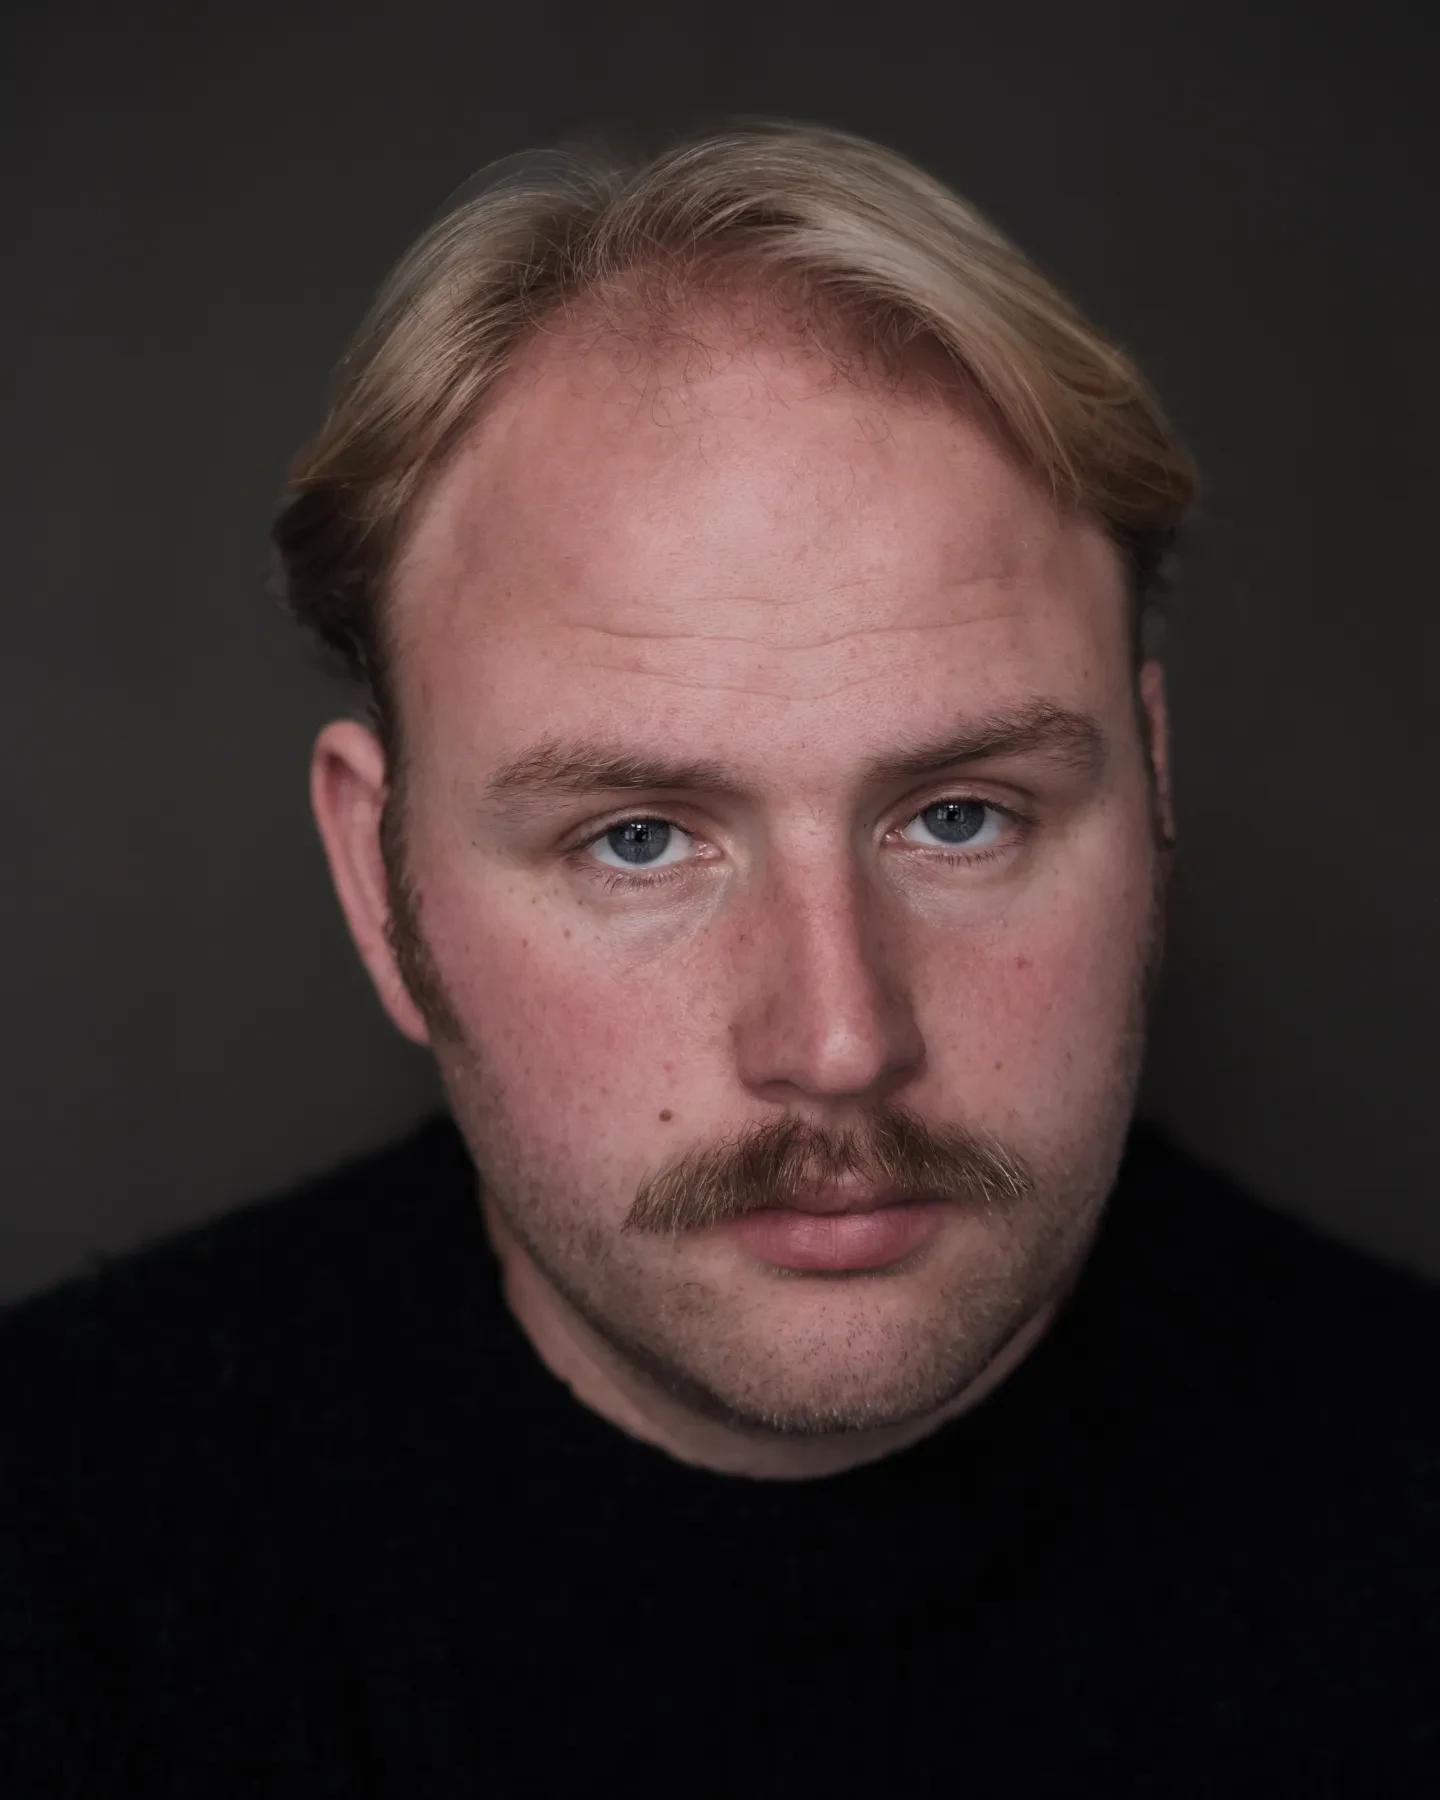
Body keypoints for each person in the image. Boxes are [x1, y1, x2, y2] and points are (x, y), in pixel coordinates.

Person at [1, 122, 1434, 1796]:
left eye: (961, 816)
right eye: (637, 838)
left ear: (1157, 794)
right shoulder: (57, 1565)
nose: (838, 1040)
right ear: (377, 884)